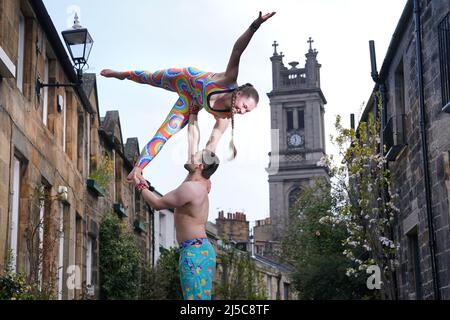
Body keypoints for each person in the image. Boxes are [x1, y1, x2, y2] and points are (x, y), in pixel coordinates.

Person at [101, 11, 276, 187]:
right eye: (244, 106)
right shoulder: (228, 80)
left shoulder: (225, 117)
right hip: (185, 78)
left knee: (165, 132)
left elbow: (212, 144)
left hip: (190, 102)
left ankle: (138, 168)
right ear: (238, 93)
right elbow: (238, 50)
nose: (243, 111)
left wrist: (204, 174)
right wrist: (254, 26)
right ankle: (123, 74)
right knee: (150, 77)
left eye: (247, 111)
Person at [134, 149, 220, 300]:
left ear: (200, 165)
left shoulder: (190, 189)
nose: (191, 155)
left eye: (196, 156)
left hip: (194, 252)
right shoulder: (203, 185)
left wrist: (139, 184)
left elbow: (157, 203)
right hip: (201, 250)